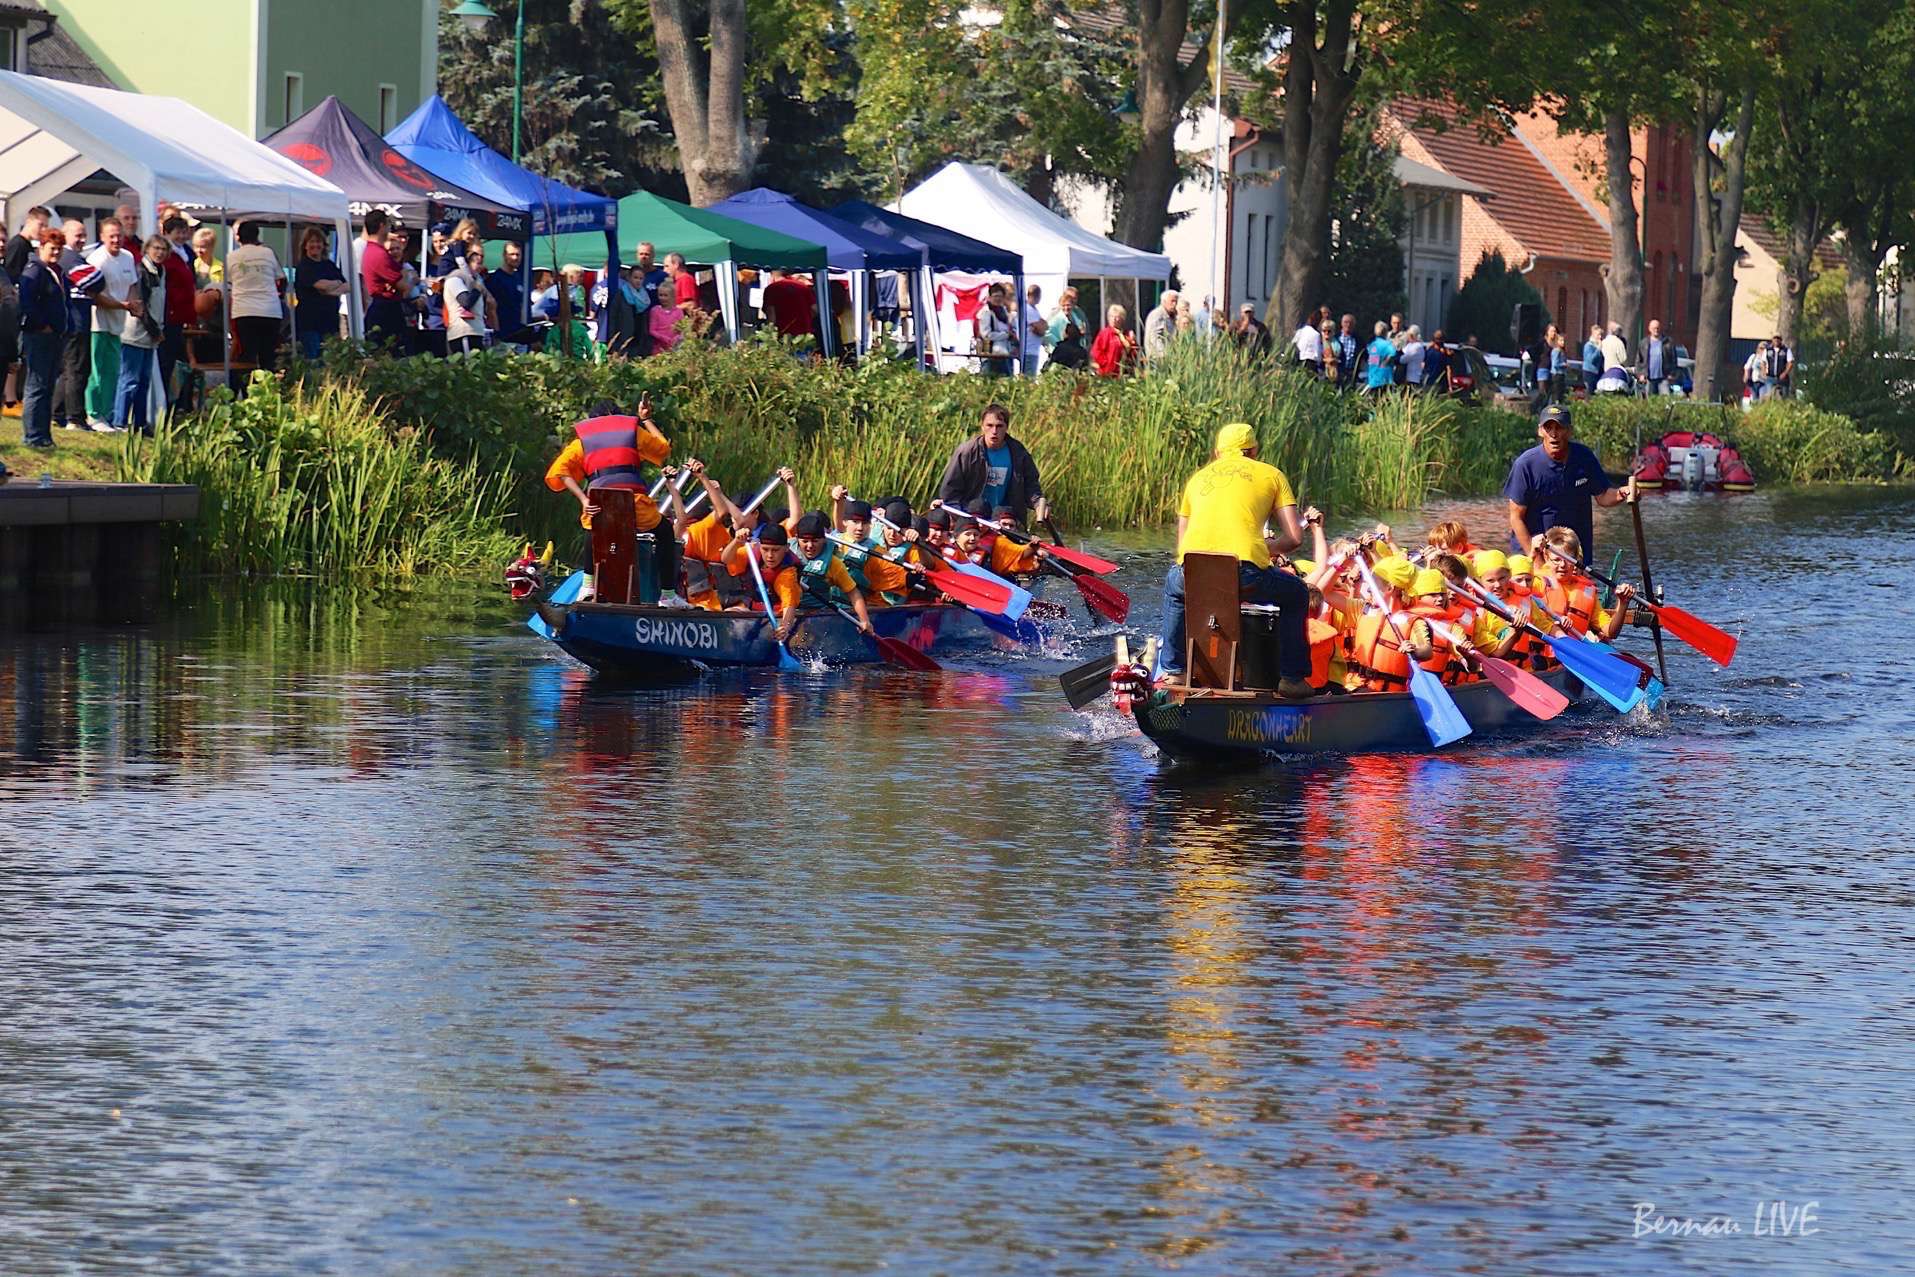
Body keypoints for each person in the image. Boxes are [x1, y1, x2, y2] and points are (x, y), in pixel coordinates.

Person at [1160, 422, 1319, 698]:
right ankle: (1292, 679)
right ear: (1253, 450)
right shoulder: (1272, 475)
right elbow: (1294, 539)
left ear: (1218, 452)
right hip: (1243, 572)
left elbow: (1182, 547)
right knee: (1295, 592)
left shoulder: (1197, 480)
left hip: (1192, 570)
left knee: (1175, 589)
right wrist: (1266, 548)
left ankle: (1175, 670)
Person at [1504, 404, 1635, 561]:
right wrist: (1536, 562)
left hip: (1575, 554)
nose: (1554, 434)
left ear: (1569, 431)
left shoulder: (1584, 457)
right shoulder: (1525, 465)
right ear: (1540, 431)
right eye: (1548, 428)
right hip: (1534, 554)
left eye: (1559, 428)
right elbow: (1515, 517)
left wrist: (1624, 493)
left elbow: (1604, 496)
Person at [936, 402, 1048, 523]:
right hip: (972, 521)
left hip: (1005, 521)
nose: (994, 431)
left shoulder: (1019, 453)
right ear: (982, 426)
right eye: (989, 425)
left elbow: (1031, 487)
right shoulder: (966, 452)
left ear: (1006, 427)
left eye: (999, 426)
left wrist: (1038, 505)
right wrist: (961, 521)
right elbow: (950, 493)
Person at [82, 217, 140, 430]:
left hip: (119, 322)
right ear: (102, 237)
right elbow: (94, 296)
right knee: (98, 370)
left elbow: (132, 284)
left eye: (119, 235)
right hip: (98, 322)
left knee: (113, 370)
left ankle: (107, 414)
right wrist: (124, 305)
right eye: (111, 236)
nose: (116, 240)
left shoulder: (127, 257)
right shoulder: (97, 260)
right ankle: (94, 414)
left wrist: (133, 304)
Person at [16, 228, 68, 450]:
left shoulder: (53, 270)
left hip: (54, 336)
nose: (55, 252)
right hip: (39, 336)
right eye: (51, 248)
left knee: (47, 385)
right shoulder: (34, 271)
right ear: (41, 248)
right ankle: (32, 435)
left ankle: (44, 434)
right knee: (36, 385)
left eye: (59, 249)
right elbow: (26, 302)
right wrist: (42, 325)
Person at [112, 235, 168, 434]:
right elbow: (140, 305)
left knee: (144, 381)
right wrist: (155, 331)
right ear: (147, 249)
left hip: (151, 335)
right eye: (156, 248)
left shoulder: (161, 272)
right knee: (129, 380)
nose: (159, 252)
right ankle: (120, 421)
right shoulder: (142, 271)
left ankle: (140, 423)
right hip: (135, 332)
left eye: (163, 249)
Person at [226, 221, 284, 378]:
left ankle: (247, 395)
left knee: (246, 358)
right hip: (270, 310)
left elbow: (229, 281)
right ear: (257, 235)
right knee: (268, 357)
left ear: (238, 237)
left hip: (244, 311)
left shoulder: (231, 257)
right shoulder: (268, 253)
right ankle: (267, 392)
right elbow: (281, 278)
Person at [53, 219, 93, 433]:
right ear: (65, 234)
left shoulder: (76, 257)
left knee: (70, 369)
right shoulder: (69, 258)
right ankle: (75, 417)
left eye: (84, 235)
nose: (82, 239)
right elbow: (95, 280)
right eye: (78, 235)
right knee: (76, 369)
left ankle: (57, 413)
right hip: (76, 322)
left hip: (78, 321)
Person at [290, 227, 349, 362]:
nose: (315, 245)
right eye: (311, 242)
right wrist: (334, 285)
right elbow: (321, 285)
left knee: (330, 360)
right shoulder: (304, 267)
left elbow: (347, 286)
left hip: (330, 322)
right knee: (314, 361)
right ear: (305, 246)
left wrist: (330, 289)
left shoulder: (329, 265)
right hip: (310, 324)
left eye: (319, 242)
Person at [157, 216, 197, 409]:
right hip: (170, 314)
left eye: (184, 232)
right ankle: (164, 404)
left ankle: (181, 403)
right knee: (167, 361)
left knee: (181, 362)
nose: (182, 236)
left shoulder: (188, 253)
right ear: (167, 234)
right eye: (178, 232)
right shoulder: (167, 256)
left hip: (183, 314)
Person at [443, 242, 495, 356]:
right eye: (476, 255)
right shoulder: (455, 277)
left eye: (482, 256)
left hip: (476, 332)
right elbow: (465, 302)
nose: (479, 259)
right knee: (467, 371)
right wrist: (477, 289)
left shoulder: (476, 279)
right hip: (463, 333)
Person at [487, 241, 526, 346]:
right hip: (502, 333)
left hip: (518, 331)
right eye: (511, 254)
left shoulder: (519, 277)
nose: (515, 258)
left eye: (518, 254)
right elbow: (489, 308)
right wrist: (496, 333)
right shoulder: (495, 279)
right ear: (504, 256)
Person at [762, 268, 818, 342]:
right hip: (804, 333)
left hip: (783, 335)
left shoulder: (771, 289)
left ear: (773, 274)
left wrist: (769, 337)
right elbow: (815, 309)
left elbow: (771, 316)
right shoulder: (803, 287)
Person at [973, 282, 1015, 376]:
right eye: (995, 296)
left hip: (1004, 354)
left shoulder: (1004, 312)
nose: (998, 299)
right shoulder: (986, 312)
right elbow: (986, 335)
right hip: (991, 355)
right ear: (990, 297)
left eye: (1000, 296)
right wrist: (1005, 335)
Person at [1091, 304, 1137, 376]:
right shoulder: (1104, 333)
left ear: (1122, 318)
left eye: (1117, 317)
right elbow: (1096, 351)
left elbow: (1134, 352)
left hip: (1124, 373)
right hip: (1106, 373)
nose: (1114, 319)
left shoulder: (1127, 334)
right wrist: (1105, 363)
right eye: (1111, 316)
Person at [5, 205, 49, 281]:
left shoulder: (27, 245)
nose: (43, 230)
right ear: (28, 221)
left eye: (46, 226)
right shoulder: (18, 244)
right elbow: (11, 275)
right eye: (40, 225)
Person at [1637, 318, 1677, 397]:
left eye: (1657, 328)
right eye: (1654, 328)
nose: (1656, 330)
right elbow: (1639, 361)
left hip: (1664, 378)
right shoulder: (1644, 343)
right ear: (1649, 329)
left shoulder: (1668, 342)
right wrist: (1641, 374)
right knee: (1649, 400)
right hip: (1648, 378)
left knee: (1666, 400)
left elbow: (1673, 359)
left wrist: (1672, 373)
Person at [1043, 287, 1084, 354]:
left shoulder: (1077, 318)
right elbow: (1046, 332)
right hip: (1059, 353)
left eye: (1068, 305)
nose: (1066, 308)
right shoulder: (1057, 318)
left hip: (1073, 352)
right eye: (1063, 306)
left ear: (1072, 305)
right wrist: (1059, 344)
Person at [1017, 282, 1047, 376]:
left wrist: (1042, 325)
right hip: (1028, 350)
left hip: (1033, 350)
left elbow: (1045, 325)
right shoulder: (1028, 309)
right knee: (1028, 379)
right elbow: (1040, 328)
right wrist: (1041, 326)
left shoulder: (1034, 310)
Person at [1142, 289, 1178, 362]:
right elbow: (1155, 336)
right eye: (1172, 301)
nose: (1174, 304)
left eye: (1176, 301)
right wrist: (1164, 355)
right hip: (1158, 358)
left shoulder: (1171, 316)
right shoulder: (1157, 315)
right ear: (1164, 302)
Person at [1363, 321, 1397, 394]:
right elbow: (1393, 354)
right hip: (1385, 378)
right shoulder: (1387, 344)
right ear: (1385, 332)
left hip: (1373, 378)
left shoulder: (1371, 345)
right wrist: (1385, 362)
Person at [1333, 313, 1359, 389]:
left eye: (1350, 323)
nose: (1348, 325)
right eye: (1346, 322)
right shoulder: (1335, 338)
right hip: (1337, 371)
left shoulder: (1358, 340)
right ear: (1341, 323)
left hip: (1351, 372)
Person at [1581, 323, 1604, 396]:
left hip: (1596, 373)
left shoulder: (1597, 346)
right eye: (1598, 335)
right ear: (1593, 334)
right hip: (1589, 372)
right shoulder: (1589, 346)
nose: (1600, 337)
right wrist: (1598, 349)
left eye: (1601, 335)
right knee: (1589, 393)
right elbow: (1591, 359)